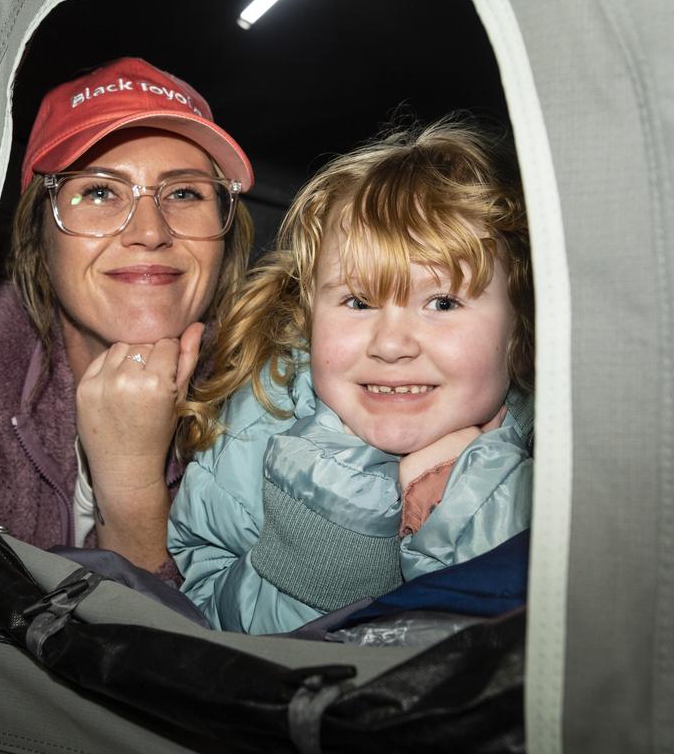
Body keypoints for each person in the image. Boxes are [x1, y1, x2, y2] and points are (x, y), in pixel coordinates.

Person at [167, 118, 534, 633]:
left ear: (520, 329)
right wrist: (340, 519)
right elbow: (201, 621)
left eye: (443, 301)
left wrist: (472, 503)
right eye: (358, 301)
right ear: (309, 315)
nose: (390, 344)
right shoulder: (251, 430)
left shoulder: (567, 465)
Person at [0, 57, 254, 578]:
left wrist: (129, 485)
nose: (150, 231)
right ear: (39, 240)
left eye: (183, 192)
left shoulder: (279, 401)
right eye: (100, 191)